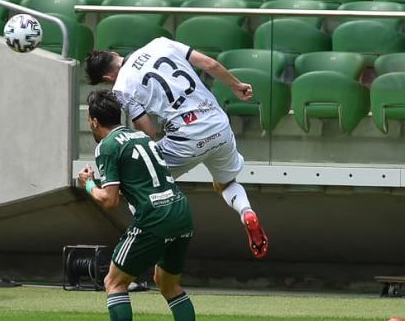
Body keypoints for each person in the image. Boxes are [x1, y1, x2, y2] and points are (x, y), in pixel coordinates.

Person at [84, 39, 269, 259]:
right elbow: (210, 64)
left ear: (107, 78)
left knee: (137, 186)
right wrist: (236, 85)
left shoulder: (122, 87)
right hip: (218, 123)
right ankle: (246, 212)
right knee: (226, 183)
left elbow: (149, 131)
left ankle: (145, 251)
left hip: (184, 138)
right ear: (114, 54)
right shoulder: (159, 44)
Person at [78, 89, 208, 321]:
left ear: (94, 121)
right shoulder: (142, 137)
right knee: (167, 283)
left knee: (114, 281)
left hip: (155, 218)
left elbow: (108, 201)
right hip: (180, 210)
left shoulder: (107, 146)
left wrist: (88, 185)